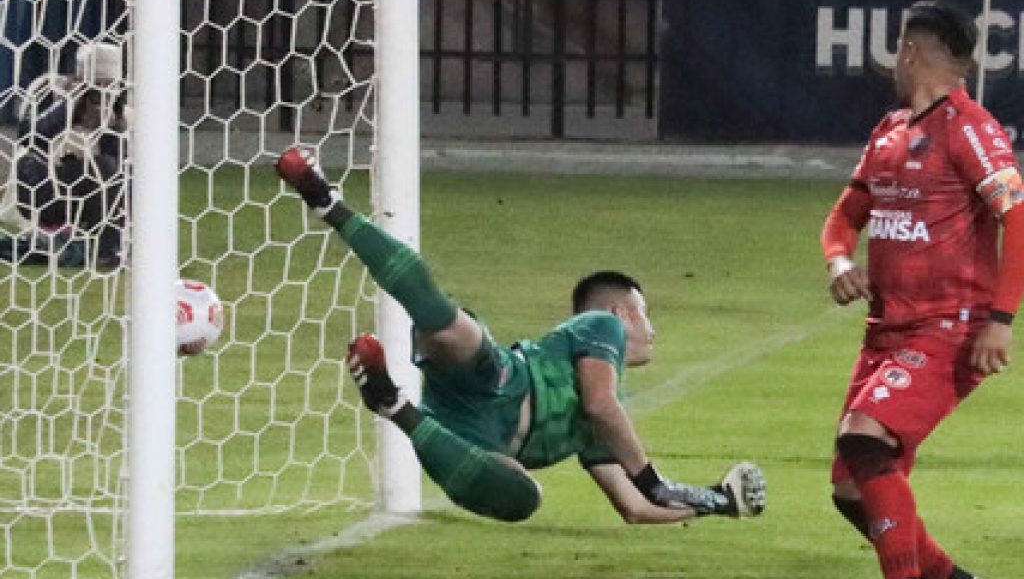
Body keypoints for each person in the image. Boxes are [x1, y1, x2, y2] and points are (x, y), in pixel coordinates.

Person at [277, 145, 766, 526]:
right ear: (621, 312)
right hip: (500, 380)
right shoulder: (603, 328)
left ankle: (393, 406)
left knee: (521, 497)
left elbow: (634, 508)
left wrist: (717, 502)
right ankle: (327, 201)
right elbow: (600, 406)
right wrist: (654, 479)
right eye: (645, 313)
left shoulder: (609, 426)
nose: (652, 330)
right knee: (450, 329)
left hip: (472, 439)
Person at [821, 0, 1024, 579]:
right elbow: (842, 218)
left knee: (865, 440)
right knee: (853, 490)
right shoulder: (887, 131)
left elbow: (1018, 218)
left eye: (898, 48)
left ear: (911, 51)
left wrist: (1001, 319)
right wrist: (837, 263)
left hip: (950, 328)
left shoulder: (971, 128)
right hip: (885, 330)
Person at [0, 41, 127, 268]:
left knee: (108, 168)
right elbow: (30, 139)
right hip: (41, 189)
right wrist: (70, 105)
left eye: (109, 85)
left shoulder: (119, 112)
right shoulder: (49, 90)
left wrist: (113, 122)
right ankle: (102, 250)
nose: (101, 93)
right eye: (96, 85)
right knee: (104, 168)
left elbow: (120, 166)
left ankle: (106, 249)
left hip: (88, 196)